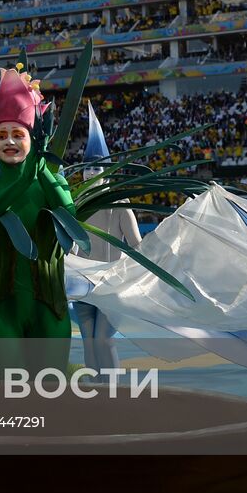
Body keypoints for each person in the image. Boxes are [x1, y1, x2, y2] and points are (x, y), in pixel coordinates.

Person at [0, 68, 76, 370]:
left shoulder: (52, 181)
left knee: (51, 393)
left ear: (34, 137)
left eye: (18, 134)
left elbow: (70, 215)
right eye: (1, 136)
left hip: (50, 307)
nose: (9, 142)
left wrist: (40, 169)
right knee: (5, 395)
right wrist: (21, 180)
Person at [71, 102, 141, 372]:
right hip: (84, 283)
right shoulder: (77, 206)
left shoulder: (121, 203)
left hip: (112, 283)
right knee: (89, 341)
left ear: (107, 172)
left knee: (103, 340)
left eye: (97, 168)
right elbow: (73, 246)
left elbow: (136, 245)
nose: (90, 172)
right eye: (88, 168)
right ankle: (94, 395)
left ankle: (112, 394)